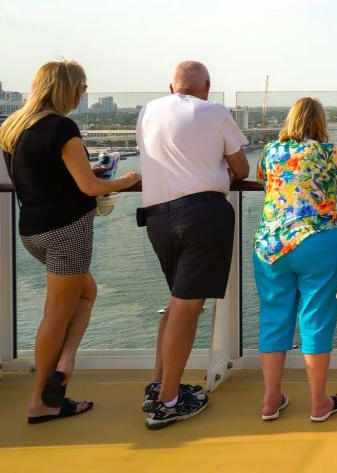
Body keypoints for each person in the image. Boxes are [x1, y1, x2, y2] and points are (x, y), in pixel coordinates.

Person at [0, 61, 139, 424]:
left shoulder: (14, 126)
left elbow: (39, 176)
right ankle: (42, 401)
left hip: (32, 229)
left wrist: (81, 175)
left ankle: (62, 366)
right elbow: (91, 189)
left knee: (86, 294)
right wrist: (125, 181)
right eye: (80, 88)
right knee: (56, 315)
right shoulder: (62, 126)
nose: (81, 94)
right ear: (67, 89)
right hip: (67, 231)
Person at [136, 61, 249, 429]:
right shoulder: (214, 111)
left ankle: (158, 385)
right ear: (207, 85)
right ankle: (168, 401)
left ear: (171, 87)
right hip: (201, 215)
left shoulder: (148, 110)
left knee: (176, 303)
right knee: (187, 308)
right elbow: (242, 168)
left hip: (157, 216)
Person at [255, 97, 337, 422]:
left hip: (271, 245)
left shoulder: (271, 151)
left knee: (274, 318)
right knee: (315, 320)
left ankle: (271, 401)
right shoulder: (327, 152)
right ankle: (318, 403)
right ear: (320, 122)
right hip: (317, 241)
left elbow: (264, 179)